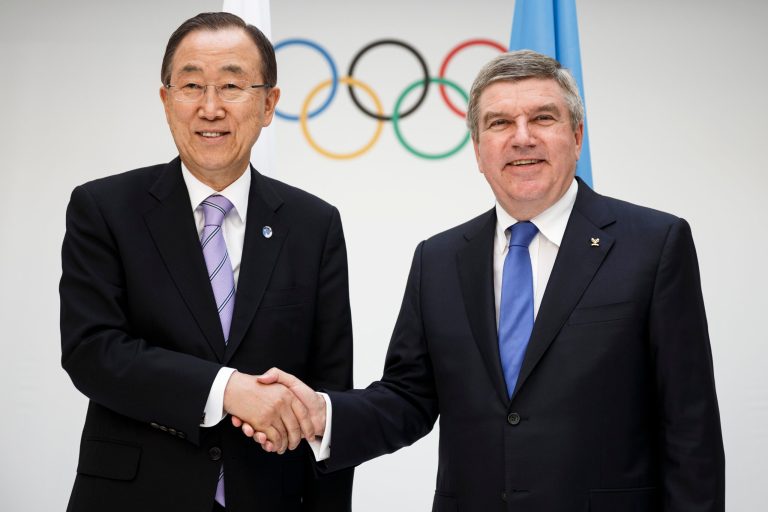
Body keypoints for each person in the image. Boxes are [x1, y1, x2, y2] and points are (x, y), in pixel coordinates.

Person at [238, 50, 725, 511]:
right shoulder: (439, 258)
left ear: (577, 136)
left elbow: (690, 426)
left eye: (542, 118)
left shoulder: (654, 244)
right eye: (499, 123)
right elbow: (409, 396)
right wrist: (325, 415)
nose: (522, 137)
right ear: (477, 148)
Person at [59, 12, 353, 512]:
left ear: (268, 104)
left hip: (269, 497)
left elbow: (326, 396)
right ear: (166, 99)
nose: (210, 108)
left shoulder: (313, 224)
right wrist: (227, 390)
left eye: (232, 85)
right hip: (133, 497)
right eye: (191, 85)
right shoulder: (104, 208)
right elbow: (93, 351)